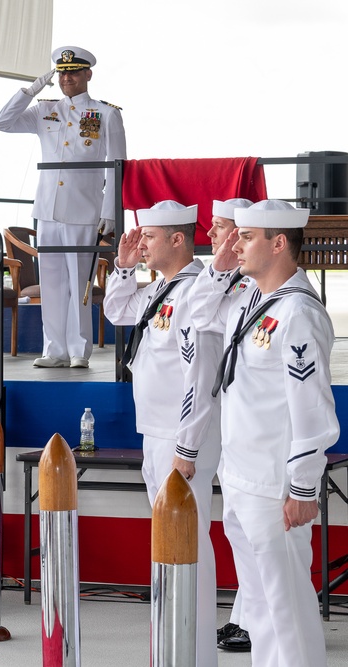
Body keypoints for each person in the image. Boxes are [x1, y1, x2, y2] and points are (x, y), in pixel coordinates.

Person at [188, 199, 337, 666]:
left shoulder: (298, 314)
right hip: (241, 476)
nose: (234, 243)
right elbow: (196, 314)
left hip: (275, 486)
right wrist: (218, 267)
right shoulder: (251, 298)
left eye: (246, 236)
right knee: (260, 612)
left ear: (278, 244)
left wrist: (302, 486)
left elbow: (312, 410)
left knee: (286, 611)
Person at [104, 201, 218, 665]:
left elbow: (199, 378)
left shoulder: (194, 292)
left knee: (190, 538)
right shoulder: (164, 288)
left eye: (148, 237)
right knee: (168, 538)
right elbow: (117, 312)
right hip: (156, 433)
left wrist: (187, 447)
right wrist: (124, 268)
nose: (141, 243)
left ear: (177, 239)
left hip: (180, 438)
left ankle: (195, 651)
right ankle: (173, 640)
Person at [0, 46, 126, 369]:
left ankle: (80, 349)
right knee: (52, 281)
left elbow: (118, 167)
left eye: (74, 72)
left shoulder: (105, 114)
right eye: (63, 73)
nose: (67, 78)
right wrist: (32, 88)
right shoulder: (44, 110)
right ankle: (54, 348)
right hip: (47, 210)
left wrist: (109, 211)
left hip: (84, 211)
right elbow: (2, 122)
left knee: (80, 280)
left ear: (88, 75)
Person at [179, 197, 254, 654]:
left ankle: (250, 619)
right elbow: (198, 313)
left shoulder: (259, 289)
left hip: (255, 433)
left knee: (250, 531)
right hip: (233, 429)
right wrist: (220, 270)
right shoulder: (227, 283)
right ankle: (244, 617)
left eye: (223, 228)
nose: (212, 235)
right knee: (237, 527)